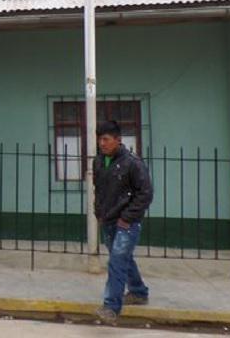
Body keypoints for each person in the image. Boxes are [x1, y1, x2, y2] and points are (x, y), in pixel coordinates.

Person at [93, 121, 154, 324]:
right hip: (108, 220)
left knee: (117, 262)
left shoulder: (133, 163)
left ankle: (111, 307)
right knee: (122, 259)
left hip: (127, 223)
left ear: (118, 140)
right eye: (99, 139)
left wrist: (127, 217)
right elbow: (99, 190)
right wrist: (99, 212)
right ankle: (138, 292)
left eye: (106, 139)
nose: (102, 143)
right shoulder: (99, 161)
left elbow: (145, 194)